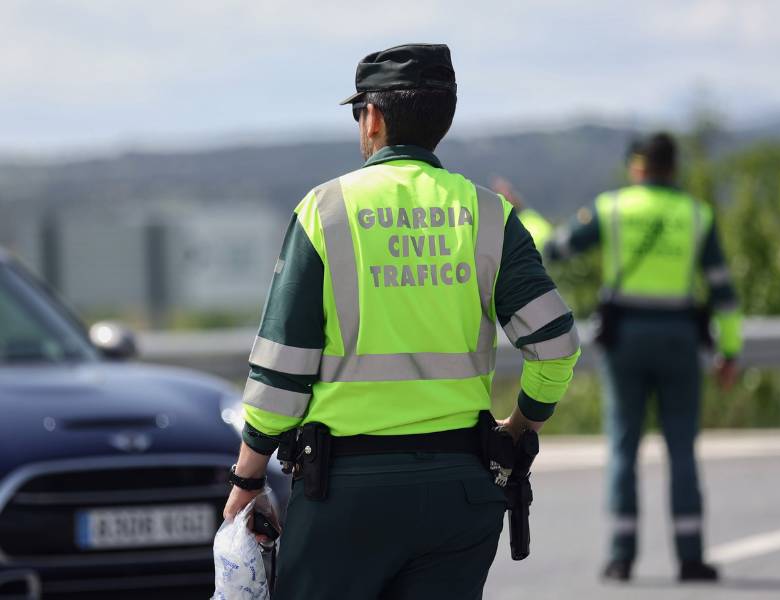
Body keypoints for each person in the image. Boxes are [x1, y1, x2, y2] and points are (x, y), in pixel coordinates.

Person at [222, 43, 581, 599]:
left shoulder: (325, 211)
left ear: (374, 117)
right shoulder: (490, 214)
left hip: (345, 496)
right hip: (460, 493)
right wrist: (521, 426)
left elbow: (280, 377)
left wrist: (247, 479)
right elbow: (556, 345)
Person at [544, 132, 742, 583]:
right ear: (674, 169)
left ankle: (620, 557)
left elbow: (558, 247)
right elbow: (724, 293)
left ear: (636, 168)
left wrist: (527, 219)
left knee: (622, 446)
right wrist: (729, 351)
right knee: (682, 449)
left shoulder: (613, 208)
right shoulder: (697, 215)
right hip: (679, 339)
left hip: (625, 340)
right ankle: (690, 558)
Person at [492, 176, 553, 246]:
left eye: (509, 193)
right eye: (502, 197)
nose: (508, 198)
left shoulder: (530, 216)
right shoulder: (502, 233)